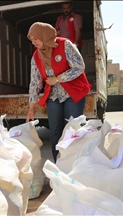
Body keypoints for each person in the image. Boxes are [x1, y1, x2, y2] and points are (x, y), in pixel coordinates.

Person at [26, 22, 91, 162]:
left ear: (44, 35)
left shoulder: (65, 45)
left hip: (73, 94)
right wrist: (31, 107)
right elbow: (35, 82)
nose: (34, 42)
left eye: (35, 38)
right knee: (55, 132)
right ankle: (59, 165)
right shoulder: (36, 57)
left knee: (72, 131)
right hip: (54, 96)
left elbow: (79, 66)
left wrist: (58, 79)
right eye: (31, 40)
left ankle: (73, 163)